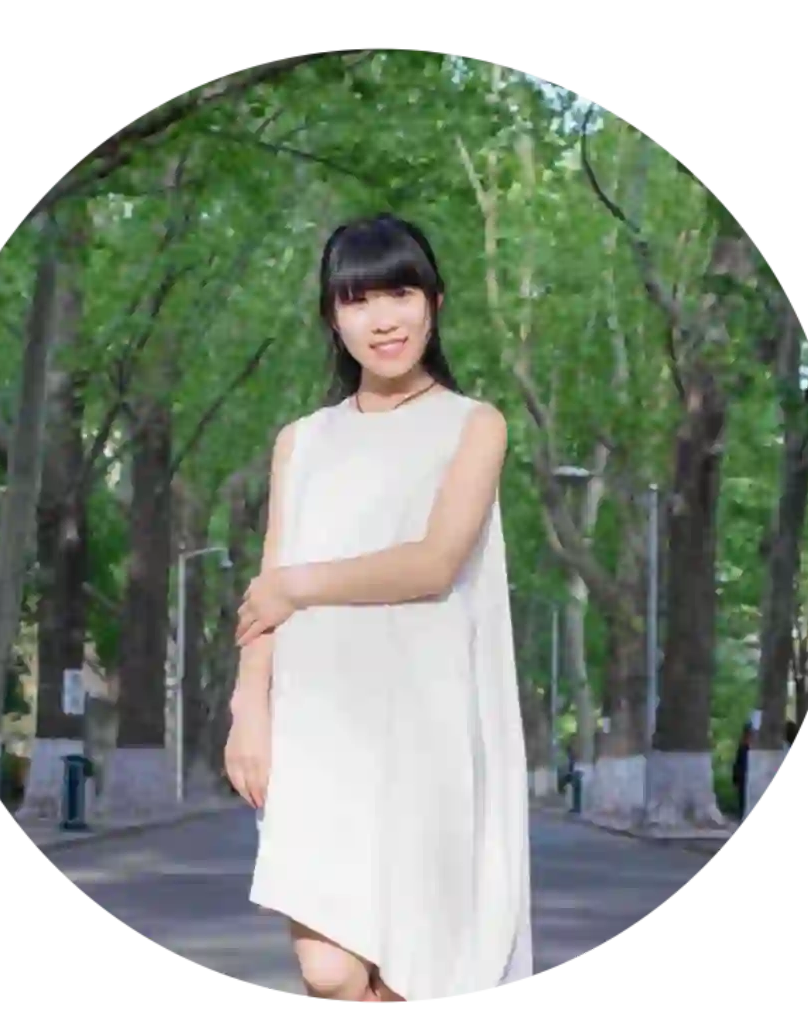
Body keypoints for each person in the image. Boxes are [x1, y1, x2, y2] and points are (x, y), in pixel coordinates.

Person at [224, 213, 533, 1007]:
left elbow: (433, 564)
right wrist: (248, 708)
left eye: (400, 294)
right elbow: (264, 591)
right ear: (333, 318)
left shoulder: (474, 425)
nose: (383, 319)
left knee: (410, 975)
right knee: (328, 970)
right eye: (358, 301)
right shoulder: (301, 441)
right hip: (318, 721)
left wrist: (299, 585)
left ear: (435, 302)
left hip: (426, 725)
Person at [732, 722, 753, 822]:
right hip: (743, 778)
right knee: (742, 799)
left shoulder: (753, 749)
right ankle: (742, 816)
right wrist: (735, 779)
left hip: (751, 778)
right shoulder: (742, 747)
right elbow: (737, 764)